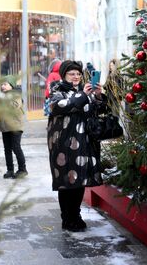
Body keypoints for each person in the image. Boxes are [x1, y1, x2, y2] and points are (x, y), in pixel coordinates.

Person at [47, 60, 107, 232]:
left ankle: (76, 214)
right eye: (71, 74)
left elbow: (97, 110)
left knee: (80, 180)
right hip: (64, 144)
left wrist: (97, 96)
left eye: (78, 74)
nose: (76, 77)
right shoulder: (57, 89)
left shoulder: (83, 91)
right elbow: (58, 107)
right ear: (64, 75)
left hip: (84, 143)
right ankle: (67, 217)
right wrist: (82, 95)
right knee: (67, 181)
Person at [0, 76, 27, 179]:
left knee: (16, 147)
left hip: (15, 126)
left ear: (11, 85)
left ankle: (22, 169)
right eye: (2, 84)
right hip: (5, 126)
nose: (3, 86)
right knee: (7, 149)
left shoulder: (16, 94)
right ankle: (10, 170)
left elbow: (15, 105)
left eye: (5, 84)